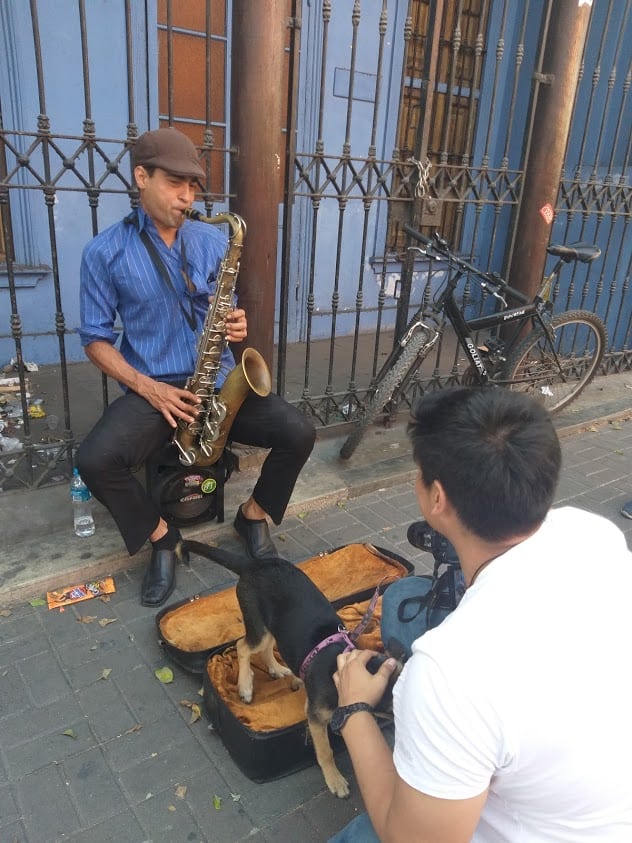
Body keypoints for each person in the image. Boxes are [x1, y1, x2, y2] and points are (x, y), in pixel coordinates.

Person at [329, 387, 632, 843]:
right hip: (597, 788)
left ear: (437, 499)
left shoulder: (447, 675)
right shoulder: (593, 531)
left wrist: (353, 709)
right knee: (406, 596)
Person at [77, 127, 315, 608]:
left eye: (194, 186)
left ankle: (253, 515)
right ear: (141, 177)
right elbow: (95, 340)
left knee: (299, 432)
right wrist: (147, 387)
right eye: (175, 183)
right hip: (156, 390)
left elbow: (221, 305)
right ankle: (162, 538)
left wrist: (236, 324)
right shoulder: (104, 252)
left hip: (219, 383)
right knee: (95, 460)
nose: (188, 197)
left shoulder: (211, 239)